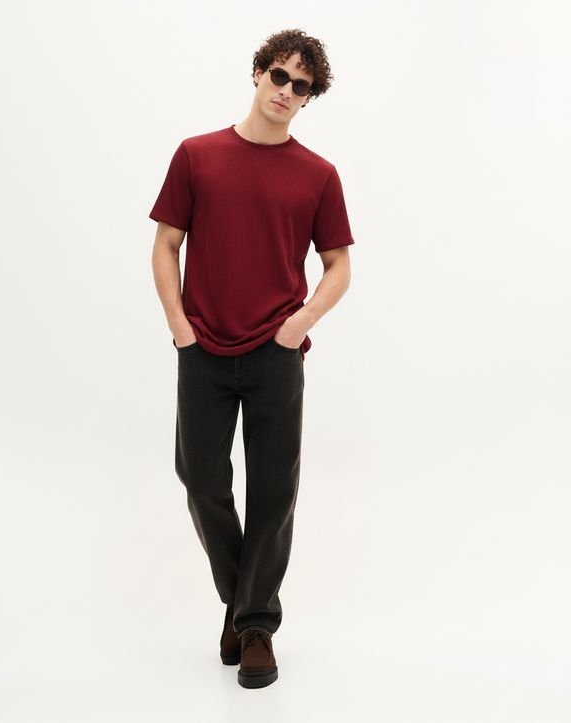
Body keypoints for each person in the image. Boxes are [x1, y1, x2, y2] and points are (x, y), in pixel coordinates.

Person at [149, 28, 354, 689]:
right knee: (199, 476)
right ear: (259, 72)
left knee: (273, 488)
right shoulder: (197, 155)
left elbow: (339, 265)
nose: (287, 90)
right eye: (279, 75)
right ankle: (243, 602)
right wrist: (179, 325)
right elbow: (166, 245)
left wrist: (301, 322)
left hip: (276, 352)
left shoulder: (318, 175)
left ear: (309, 97)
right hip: (202, 347)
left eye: (302, 85)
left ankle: (255, 626)